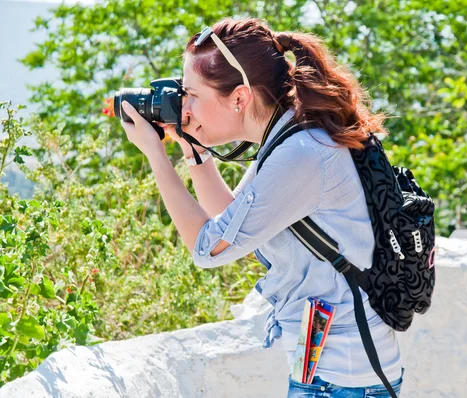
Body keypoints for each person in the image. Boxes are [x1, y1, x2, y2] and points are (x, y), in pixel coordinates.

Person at [119, 17, 404, 397]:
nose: (183, 107)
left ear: (239, 97)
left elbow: (209, 249)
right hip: (336, 373)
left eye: (191, 95)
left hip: (343, 380)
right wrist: (195, 153)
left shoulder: (301, 154)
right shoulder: (289, 136)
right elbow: (235, 222)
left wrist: (155, 154)